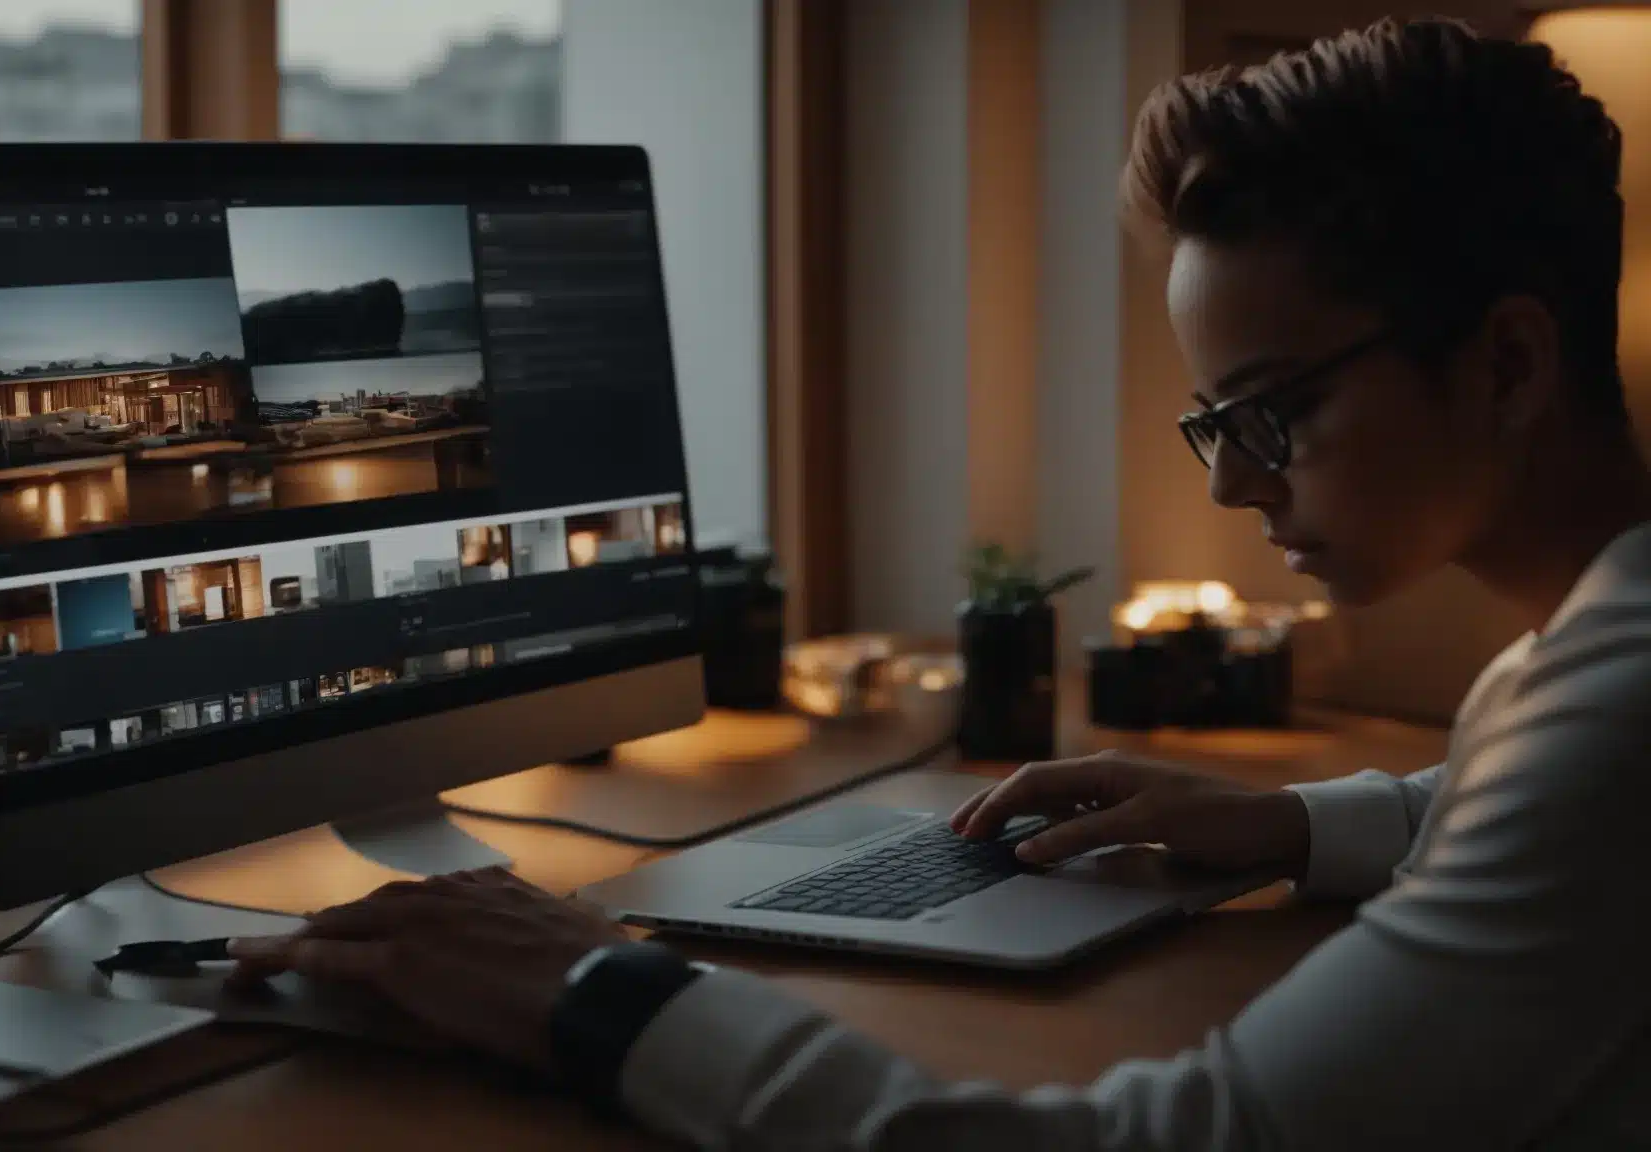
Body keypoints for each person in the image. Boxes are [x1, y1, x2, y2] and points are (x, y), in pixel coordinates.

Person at [226, 17, 1651, 1149]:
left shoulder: (1613, 717)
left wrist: (598, 987)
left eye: (1273, 414)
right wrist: (1284, 824)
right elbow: (1507, 824)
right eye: (1216, 426)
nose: (1233, 486)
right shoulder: (1570, 657)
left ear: (1509, 365)